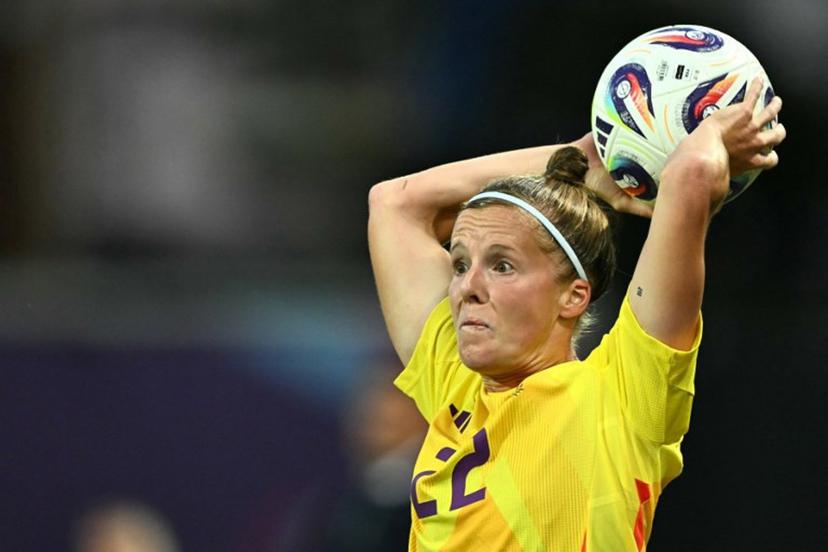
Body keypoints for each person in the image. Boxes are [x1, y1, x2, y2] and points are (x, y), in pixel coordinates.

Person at [367, 77, 785, 551]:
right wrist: (578, 161)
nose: (466, 287)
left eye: (502, 265)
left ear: (574, 296)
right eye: (460, 263)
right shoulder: (457, 383)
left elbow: (691, 173)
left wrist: (706, 133)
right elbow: (394, 202)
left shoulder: (623, 398)